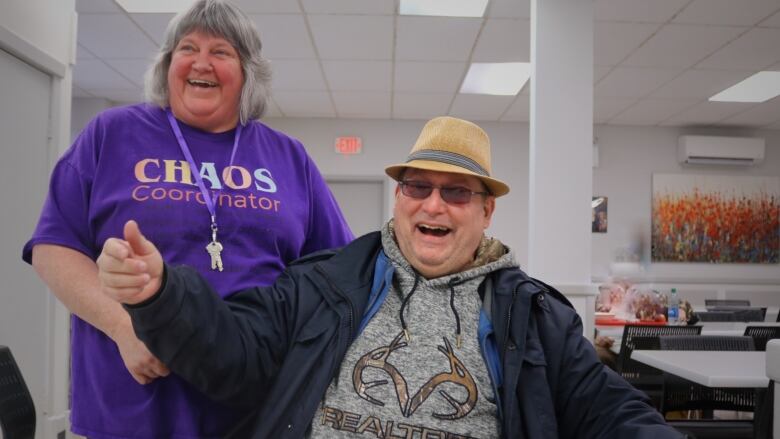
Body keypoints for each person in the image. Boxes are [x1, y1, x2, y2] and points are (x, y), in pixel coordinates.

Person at [98, 116, 684, 438]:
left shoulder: (534, 318)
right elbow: (233, 351)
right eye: (417, 187)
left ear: (486, 212)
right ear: (398, 197)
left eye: (456, 192)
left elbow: (607, 410)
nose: (433, 206)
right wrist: (162, 294)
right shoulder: (324, 283)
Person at [22, 1, 353, 437]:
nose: (201, 63)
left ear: (248, 72)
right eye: (187, 48)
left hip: (256, 410)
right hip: (132, 407)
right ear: (167, 64)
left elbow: (336, 269)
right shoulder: (111, 134)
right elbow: (53, 249)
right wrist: (124, 328)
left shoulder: (287, 156)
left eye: (221, 51)